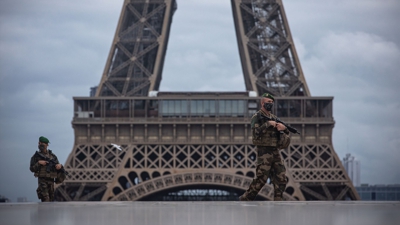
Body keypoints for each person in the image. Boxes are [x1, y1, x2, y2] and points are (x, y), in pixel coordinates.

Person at [239, 93, 291, 201]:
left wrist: (284, 128)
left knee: (281, 177)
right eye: (268, 102)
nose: (270, 104)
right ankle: (246, 198)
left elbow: (283, 132)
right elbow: (256, 133)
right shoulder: (256, 117)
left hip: (275, 150)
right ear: (262, 103)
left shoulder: (275, 118)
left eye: (272, 102)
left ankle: (278, 200)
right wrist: (268, 124)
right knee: (261, 179)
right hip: (264, 151)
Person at [30, 136, 66, 202]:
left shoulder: (53, 156)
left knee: (51, 199)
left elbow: (57, 166)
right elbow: (32, 169)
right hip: (42, 181)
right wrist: (39, 163)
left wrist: (59, 166)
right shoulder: (36, 156)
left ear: (47, 144)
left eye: (43, 143)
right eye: (40, 143)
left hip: (51, 181)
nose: (41, 145)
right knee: (45, 199)